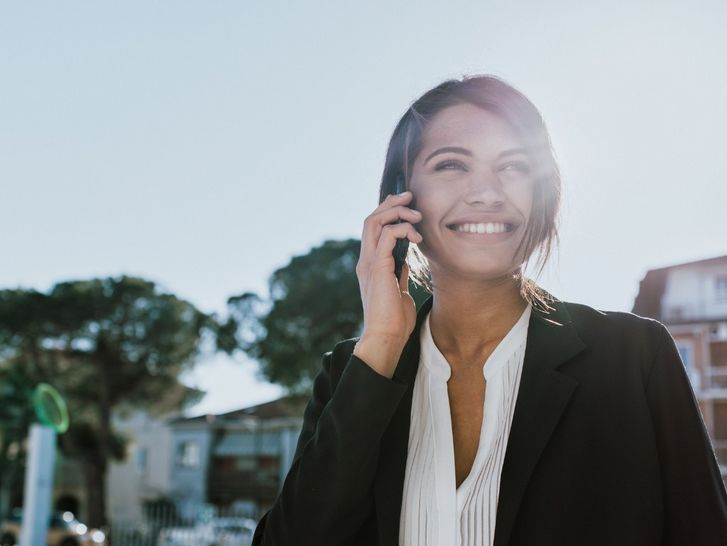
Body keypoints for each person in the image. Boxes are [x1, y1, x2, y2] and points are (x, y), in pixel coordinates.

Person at [252, 75, 727, 546]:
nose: (487, 193)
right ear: (401, 196)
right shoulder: (350, 372)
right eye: (452, 165)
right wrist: (380, 344)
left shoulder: (634, 357)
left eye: (514, 167)